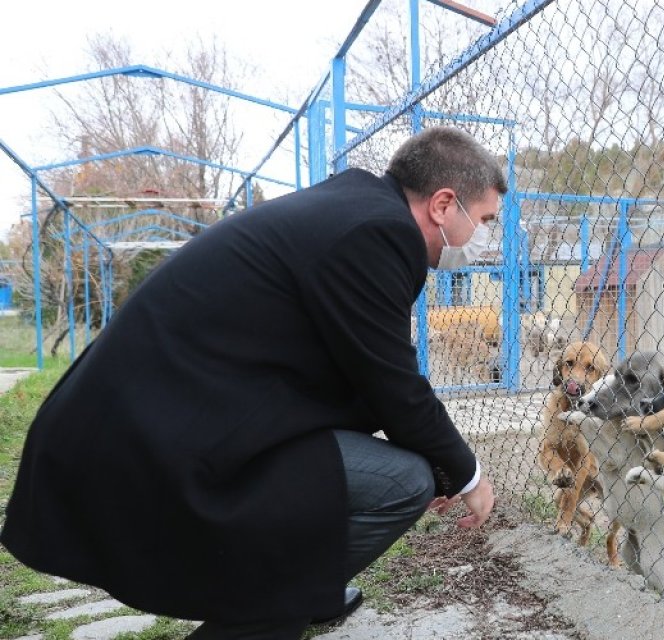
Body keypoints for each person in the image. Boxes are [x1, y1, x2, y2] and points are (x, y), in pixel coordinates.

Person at [0, 126, 501, 639]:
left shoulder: (355, 209)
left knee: (393, 469)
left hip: (161, 419)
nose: (483, 238)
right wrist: (465, 474)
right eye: (483, 220)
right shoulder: (378, 232)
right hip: (156, 440)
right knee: (402, 483)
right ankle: (260, 616)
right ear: (443, 204)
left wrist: (435, 453)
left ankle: (307, 592)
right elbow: (393, 383)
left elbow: (366, 376)